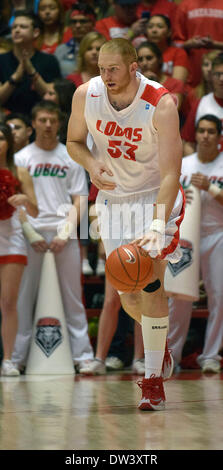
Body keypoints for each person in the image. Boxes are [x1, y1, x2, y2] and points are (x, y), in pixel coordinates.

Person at [66, 38, 184, 411]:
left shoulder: (161, 103)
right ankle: (160, 345)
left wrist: (156, 223)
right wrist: (90, 163)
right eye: (101, 68)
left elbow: (171, 174)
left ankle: (152, 381)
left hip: (154, 197)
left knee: (149, 285)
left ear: (134, 66)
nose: (106, 75)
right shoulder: (87, 94)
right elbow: (73, 142)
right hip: (114, 199)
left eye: (113, 68)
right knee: (125, 289)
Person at [12, 100, 94, 373]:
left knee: (73, 297)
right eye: (43, 120)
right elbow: (15, 203)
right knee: (23, 298)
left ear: (60, 124)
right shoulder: (21, 159)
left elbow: (81, 200)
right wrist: (31, 231)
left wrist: (65, 232)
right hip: (29, 235)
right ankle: (16, 358)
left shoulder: (70, 156)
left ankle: (83, 357)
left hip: (63, 234)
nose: (48, 125)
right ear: (33, 123)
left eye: (53, 121)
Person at [168, 114, 223, 374]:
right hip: (185, 237)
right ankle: (172, 356)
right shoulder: (183, 164)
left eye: (211, 132)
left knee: (219, 296)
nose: (205, 136)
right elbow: (168, 197)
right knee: (179, 296)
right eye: (201, 130)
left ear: (219, 138)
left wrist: (211, 190)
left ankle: (211, 355)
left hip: (217, 235)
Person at [0, 123, 38, 376]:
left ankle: (8, 359)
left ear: (9, 142)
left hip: (12, 238)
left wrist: (24, 199)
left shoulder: (20, 171)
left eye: (1, 137)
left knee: (9, 302)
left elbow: (35, 210)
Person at [0, 10, 61, 115]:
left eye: (23, 27)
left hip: (41, 118)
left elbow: (52, 97)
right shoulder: (1, 60)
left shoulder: (49, 61)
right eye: (14, 27)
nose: (17, 30)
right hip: (7, 120)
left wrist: (31, 71)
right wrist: (15, 77)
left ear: (36, 32)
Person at [172, 0, 223, 87]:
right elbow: (176, 44)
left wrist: (215, 44)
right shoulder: (185, 5)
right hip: (193, 71)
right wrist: (189, 44)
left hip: (220, 68)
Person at [182, 53, 223, 156]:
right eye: (217, 74)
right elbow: (188, 143)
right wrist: (196, 167)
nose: (222, 79)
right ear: (211, 76)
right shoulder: (200, 104)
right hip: (206, 169)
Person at [137, 41, 185, 109]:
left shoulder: (175, 84)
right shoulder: (134, 85)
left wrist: (155, 86)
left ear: (159, 59)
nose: (144, 63)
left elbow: (172, 111)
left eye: (149, 58)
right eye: (140, 59)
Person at [145, 14, 189, 86]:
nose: (154, 30)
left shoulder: (178, 53)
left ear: (169, 32)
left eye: (160, 26)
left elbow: (177, 86)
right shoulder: (141, 52)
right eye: (150, 27)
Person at [54, 4, 96, 78]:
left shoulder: (103, 49)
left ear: (93, 24)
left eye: (83, 21)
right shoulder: (61, 50)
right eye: (74, 22)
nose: (77, 26)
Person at [43, 78, 76, 143]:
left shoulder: (75, 122)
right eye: (45, 93)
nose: (45, 97)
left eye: (51, 94)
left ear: (63, 96)